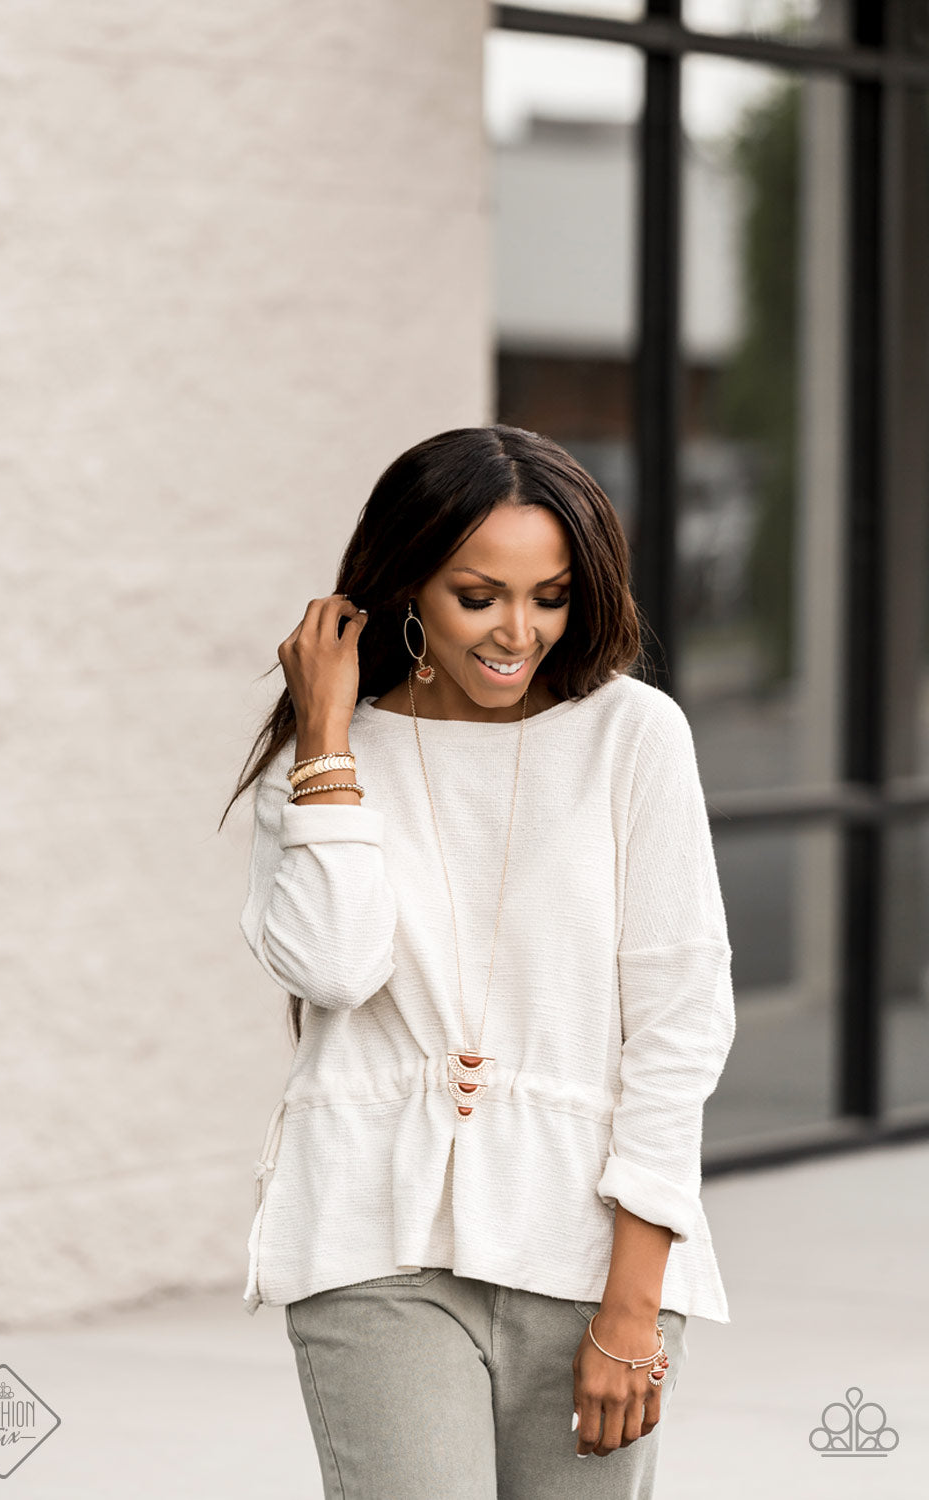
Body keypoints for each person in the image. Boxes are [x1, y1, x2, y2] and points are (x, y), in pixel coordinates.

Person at [219, 424, 736, 1499]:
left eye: (549, 597)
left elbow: (679, 1024)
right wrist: (326, 742)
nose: (518, 632)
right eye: (478, 596)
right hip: (374, 1246)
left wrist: (632, 1305)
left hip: (590, 1251)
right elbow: (334, 967)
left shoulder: (631, 736)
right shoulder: (321, 762)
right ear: (408, 583)